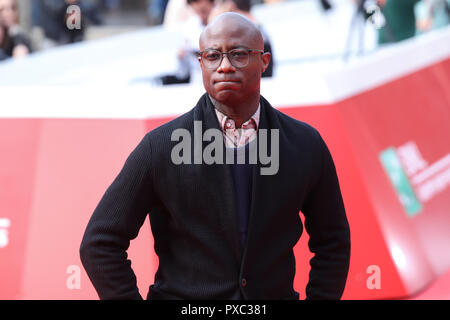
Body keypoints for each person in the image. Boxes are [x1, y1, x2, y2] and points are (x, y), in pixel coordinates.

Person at [80, 12, 351, 300]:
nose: (224, 66)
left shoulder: (305, 144)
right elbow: (99, 243)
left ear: (264, 61)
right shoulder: (160, 147)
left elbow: (333, 242)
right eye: (213, 56)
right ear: (200, 64)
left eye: (238, 54)